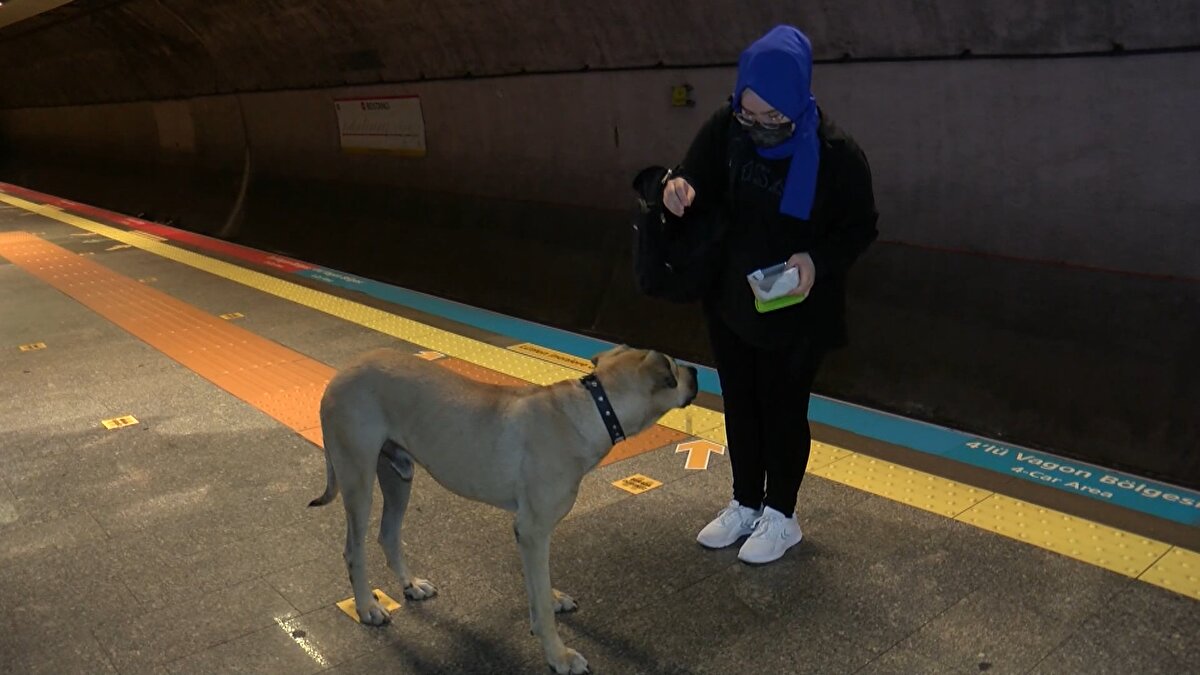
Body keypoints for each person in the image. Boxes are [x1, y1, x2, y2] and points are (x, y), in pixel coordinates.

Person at [662, 24, 878, 564]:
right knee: (740, 401)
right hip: (734, 295)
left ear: (798, 99)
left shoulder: (837, 154)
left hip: (799, 303)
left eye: (772, 119)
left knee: (783, 407)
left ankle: (782, 515)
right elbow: (694, 175)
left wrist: (816, 260)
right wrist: (678, 187)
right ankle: (745, 501)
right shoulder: (726, 128)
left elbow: (860, 227)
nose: (758, 127)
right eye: (748, 115)